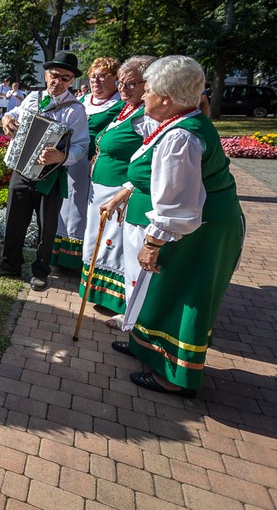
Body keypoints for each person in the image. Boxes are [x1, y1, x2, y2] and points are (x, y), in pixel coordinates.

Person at [103, 55, 243, 397]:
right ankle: (145, 348)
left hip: (202, 232)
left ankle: (175, 377)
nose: (143, 96)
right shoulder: (179, 122)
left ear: (167, 98)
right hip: (201, 226)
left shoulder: (181, 138)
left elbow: (177, 203)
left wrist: (153, 242)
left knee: (182, 296)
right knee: (162, 292)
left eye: (147, 89)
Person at [0, 51, 90, 292]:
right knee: (14, 218)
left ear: (71, 81)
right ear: (46, 74)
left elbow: (82, 146)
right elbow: (15, 114)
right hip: (22, 169)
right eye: (54, 75)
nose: (58, 81)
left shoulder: (76, 110)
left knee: (46, 225)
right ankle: (9, 265)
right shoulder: (33, 96)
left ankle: (41, 271)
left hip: (50, 175)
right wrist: (7, 119)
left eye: (65, 78)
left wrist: (62, 156)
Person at [79, 56, 155, 325]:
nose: (123, 87)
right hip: (101, 187)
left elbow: (149, 156)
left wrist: (126, 190)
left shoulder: (146, 114)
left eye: (130, 83)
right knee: (99, 242)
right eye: (121, 82)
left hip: (120, 190)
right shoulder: (127, 109)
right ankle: (101, 294)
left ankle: (120, 301)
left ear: (149, 84)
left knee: (117, 247)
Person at [50, 57, 123, 271]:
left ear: (116, 79)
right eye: (93, 76)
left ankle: (80, 260)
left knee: (85, 212)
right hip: (69, 161)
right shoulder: (80, 102)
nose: (96, 81)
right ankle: (61, 257)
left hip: (94, 166)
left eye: (102, 76)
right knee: (67, 208)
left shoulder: (119, 106)